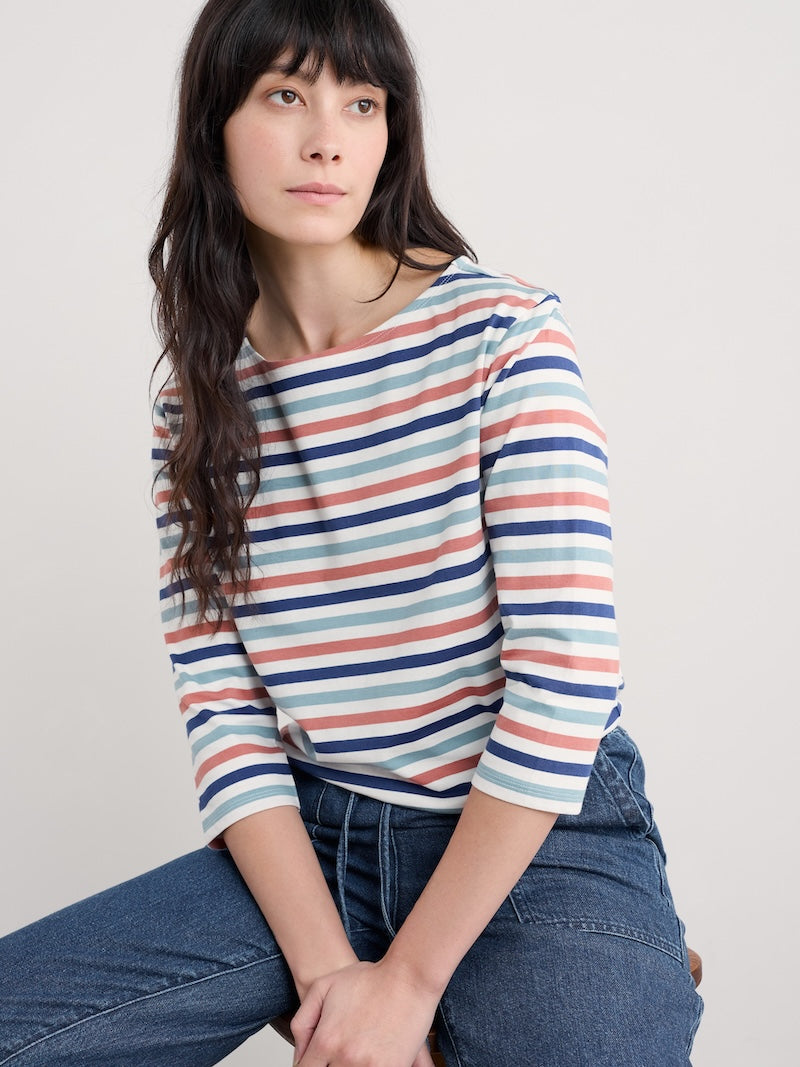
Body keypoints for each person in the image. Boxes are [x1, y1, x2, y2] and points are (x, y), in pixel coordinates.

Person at [0, 0, 704, 1064]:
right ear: (213, 128)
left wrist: (411, 981)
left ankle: (615, 945)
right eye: (284, 95)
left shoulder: (502, 336)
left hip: (536, 837)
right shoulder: (195, 407)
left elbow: (561, 680)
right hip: (320, 839)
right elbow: (226, 714)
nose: (327, 136)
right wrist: (335, 978)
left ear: (390, 132)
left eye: (360, 102)